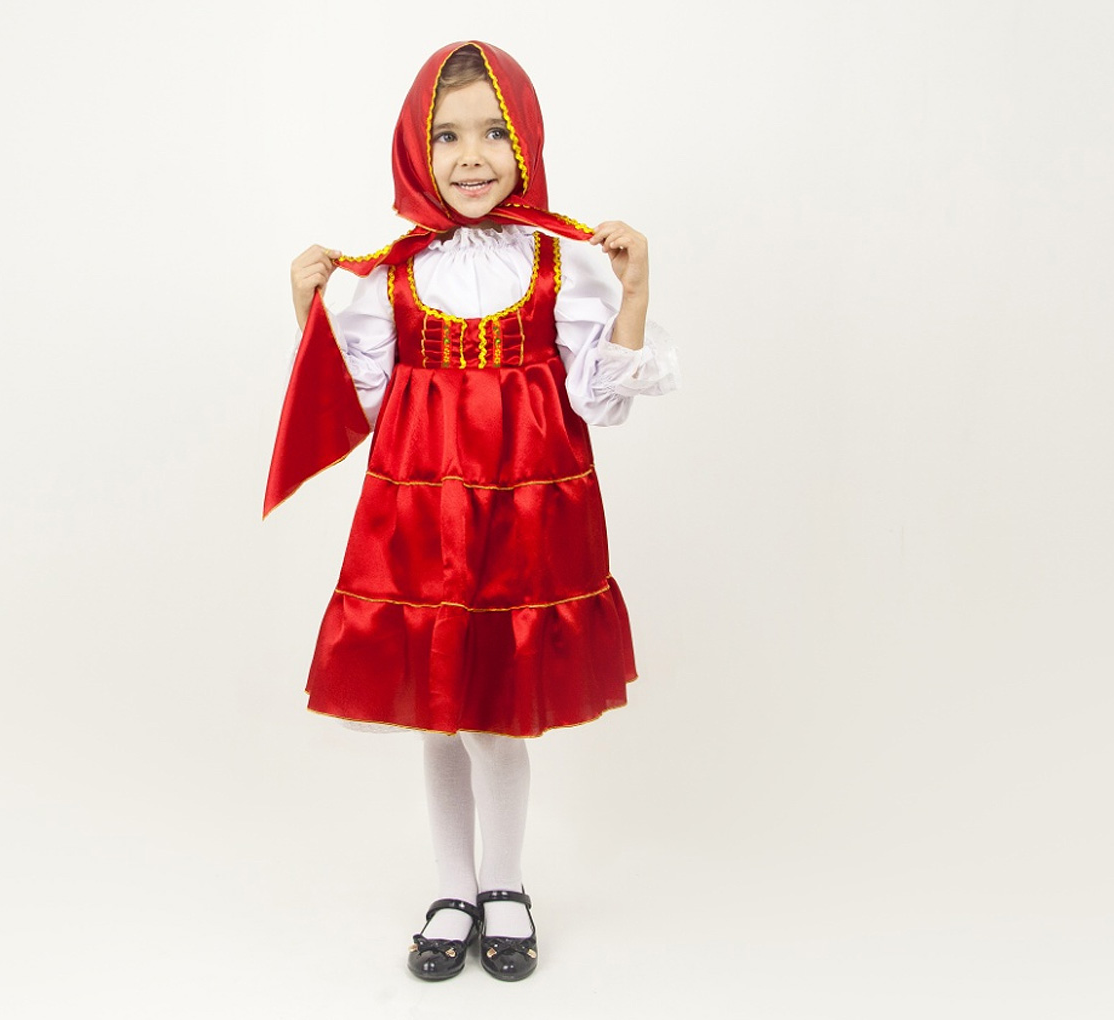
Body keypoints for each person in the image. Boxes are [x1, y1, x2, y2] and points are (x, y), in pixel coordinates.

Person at [267, 40, 678, 982]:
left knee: (494, 714)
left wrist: (635, 292)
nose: (471, 157)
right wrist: (307, 313)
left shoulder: (560, 262)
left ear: (526, 142)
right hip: (422, 520)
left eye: (494, 133)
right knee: (441, 711)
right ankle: (453, 887)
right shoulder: (393, 274)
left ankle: (503, 883)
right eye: (446, 136)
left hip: (525, 518)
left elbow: (601, 400)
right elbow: (355, 404)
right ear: (417, 152)